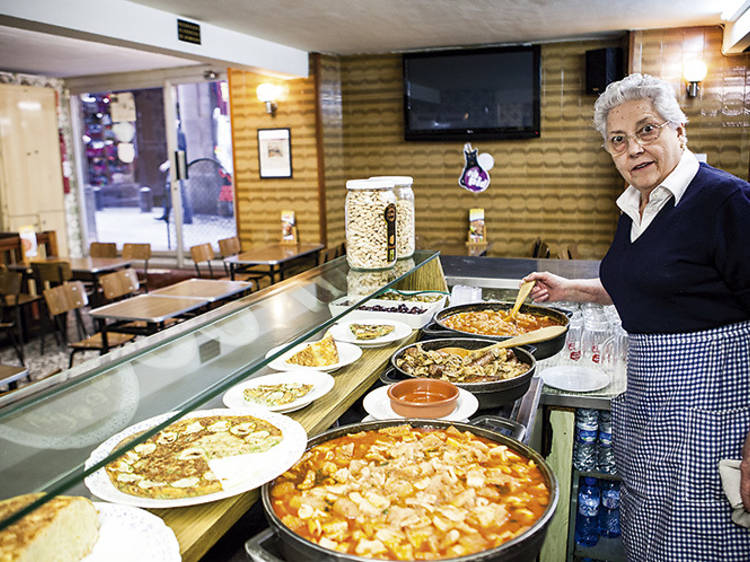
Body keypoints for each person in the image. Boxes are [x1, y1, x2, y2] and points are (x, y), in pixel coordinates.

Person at [524, 73, 750, 560]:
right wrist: (571, 288)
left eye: (647, 130)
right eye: (618, 140)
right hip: (651, 402)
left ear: (679, 130)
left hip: (712, 414)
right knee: (651, 534)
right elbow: (649, 286)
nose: (633, 149)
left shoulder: (726, 201)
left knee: (701, 539)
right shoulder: (635, 206)